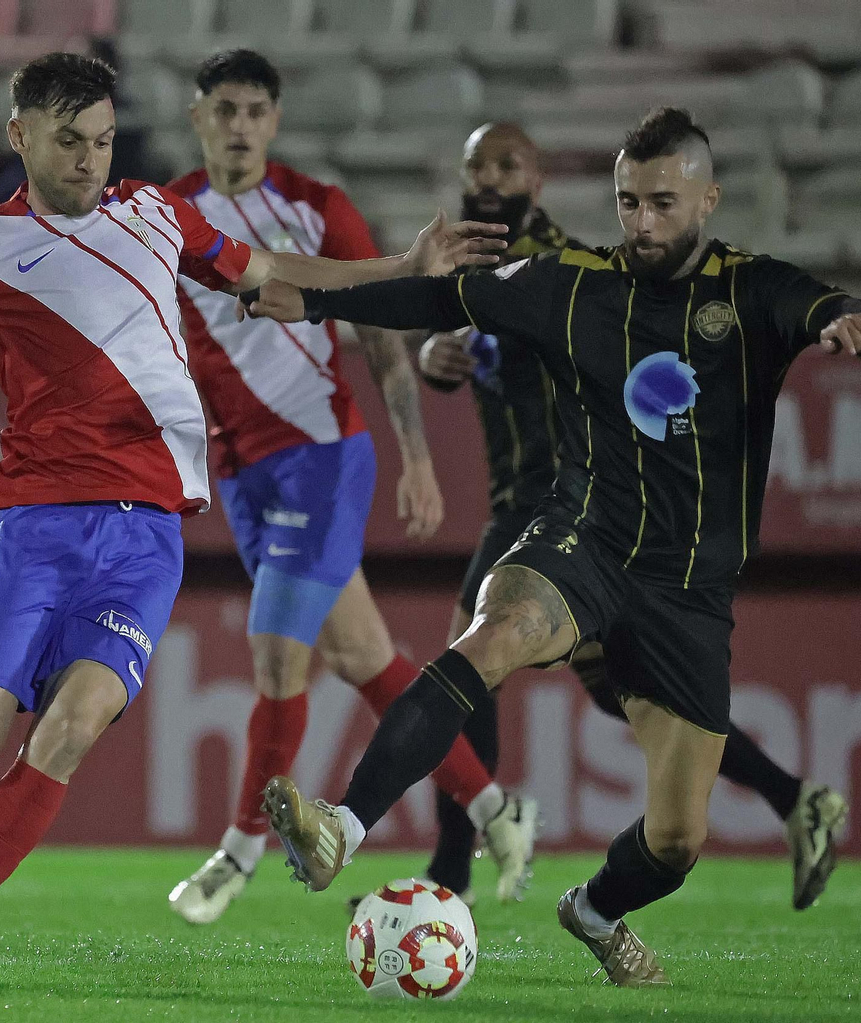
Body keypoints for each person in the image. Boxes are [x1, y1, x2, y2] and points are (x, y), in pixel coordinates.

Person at [0, 51, 504, 987]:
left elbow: (272, 273)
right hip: (35, 525)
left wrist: (402, 267)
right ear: (19, 136)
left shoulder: (158, 213)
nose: (90, 159)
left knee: (74, 724)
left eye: (104, 139)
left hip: (146, 536)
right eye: (69, 141)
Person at [246, 107, 861, 986]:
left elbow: (828, 304)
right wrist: (312, 299)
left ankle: (593, 910)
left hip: (690, 590)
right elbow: (439, 298)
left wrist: (849, 318)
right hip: (582, 539)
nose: (642, 222)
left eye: (662, 203)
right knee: (491, 635)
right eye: (628, 201)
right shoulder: (574, 284)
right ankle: (341, 828)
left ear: (707, 199)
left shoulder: (752, 291)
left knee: (678, 839)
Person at [414, 121, 849, 913]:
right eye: (477, 164)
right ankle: (794, 797)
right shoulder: (477, 260)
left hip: (562, 500)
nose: (490, 178)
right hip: (524, 495)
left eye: (507, 164)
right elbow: (463, 345)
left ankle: (454, 868)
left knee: (467, 664)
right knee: (628, 693)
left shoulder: (560, 263)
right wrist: (435, 356)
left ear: (537, 179)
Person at [162, 51, 527, 926]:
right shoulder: (167, 216)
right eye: (224, 109)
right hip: (240, 470)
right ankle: (496, 810)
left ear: (275, 120)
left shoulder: (318, 207)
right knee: (363, 656)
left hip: (321, 456)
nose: (240, 125)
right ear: (198, 116)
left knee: (275, 654)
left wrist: (417, 456)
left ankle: (238, 851)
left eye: (255, 110)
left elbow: (383, 331)